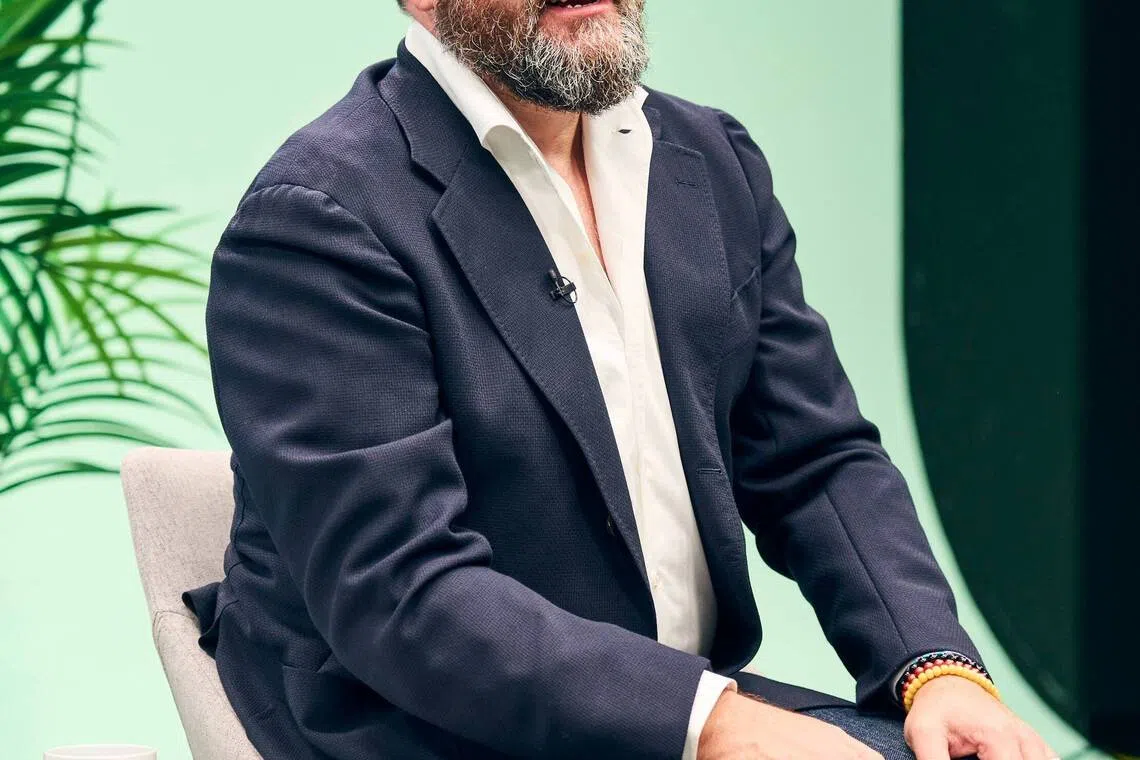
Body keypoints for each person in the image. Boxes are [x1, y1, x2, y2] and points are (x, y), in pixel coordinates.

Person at [184, 0, 1058, 758]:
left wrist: (934, 668)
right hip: (404, 721)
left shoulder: (710, 159)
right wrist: (712, 725)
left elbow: (814, 460)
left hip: (673, 704)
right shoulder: (319, 220)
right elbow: (398, 593)